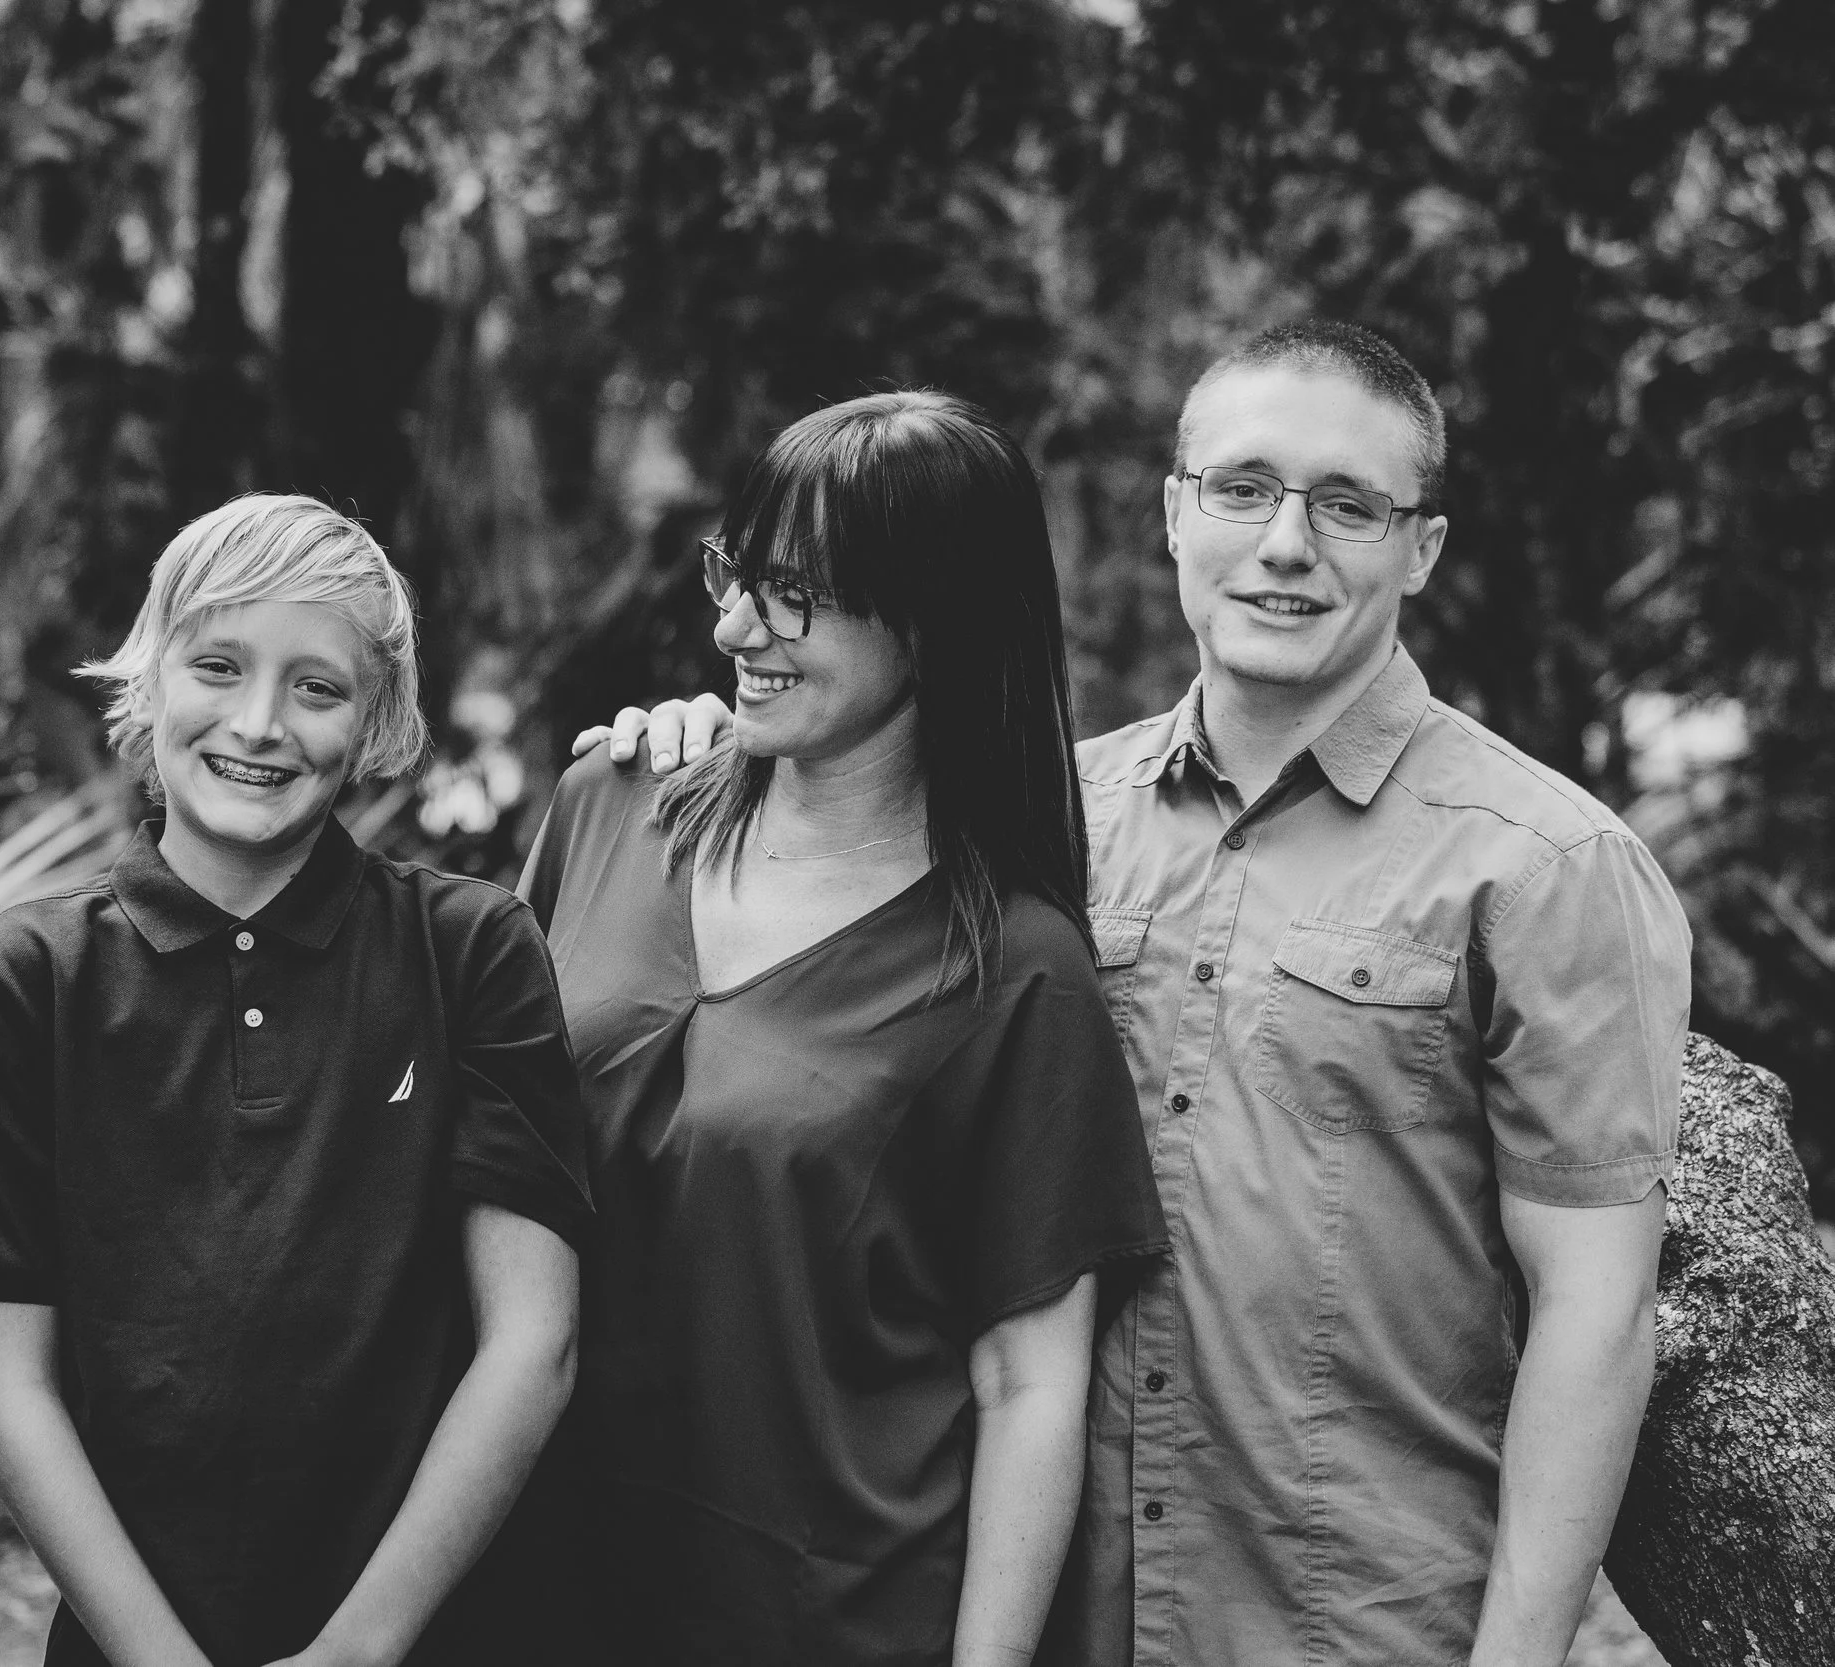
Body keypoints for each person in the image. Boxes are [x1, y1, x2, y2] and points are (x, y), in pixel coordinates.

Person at [588, 323, 1693, 1667]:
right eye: (1242, 487)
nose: (1285, 543)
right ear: (1175, 514)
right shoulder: (1038, 821)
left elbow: (1596, 1317)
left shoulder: (1547, 866)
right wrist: (712, 741)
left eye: (1349, 504)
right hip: (1069, 1609)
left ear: (1422, 548)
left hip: (1356, 1621)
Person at [524, 390, 1167, 1666]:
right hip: (542, 1588)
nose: (733, 627)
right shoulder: (609, 802)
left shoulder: (1013, 968)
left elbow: (1029, 1386)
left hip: (830, 1613)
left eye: (793, 593)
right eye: (734, 573)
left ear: (935, 620)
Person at [0, 493, 593, 1667]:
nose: (260, 723)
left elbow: (532, 1341)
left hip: (433, 1632)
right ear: (151, 675)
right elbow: (10, 1384)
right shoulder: (26, 978)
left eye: (317, 686)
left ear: (375, 720)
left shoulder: (470, 950)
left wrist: (353, 1652)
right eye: (217, 665)